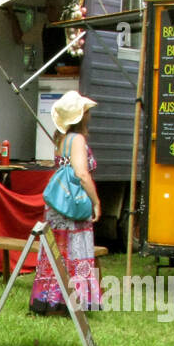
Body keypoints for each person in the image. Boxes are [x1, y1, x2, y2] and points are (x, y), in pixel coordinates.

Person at [31, 91, 101, 316]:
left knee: (57, 253)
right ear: (81, 116)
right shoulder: (78, 139)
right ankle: (71, 301)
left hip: (58, 206)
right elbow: (81, 173)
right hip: (73, 207)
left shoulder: (61, 139)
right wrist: (96, 201)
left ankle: (50, 301)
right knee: (75, 251)